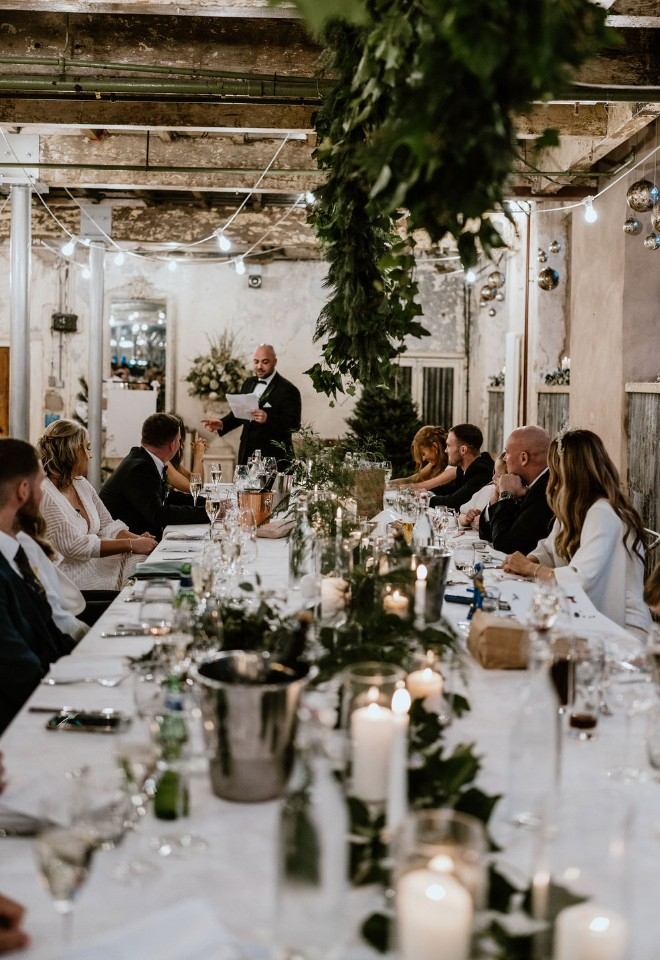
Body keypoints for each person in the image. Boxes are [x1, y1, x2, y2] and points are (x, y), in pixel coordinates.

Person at [502, 429, 652, 640]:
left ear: (566, 471)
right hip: (590, 613)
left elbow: (582, 578)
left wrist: (530, 568)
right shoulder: (578, 507)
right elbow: (549, 547)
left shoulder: (603, 513)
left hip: (620, 625)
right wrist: (528, 560)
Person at [0, 439, 77, 733]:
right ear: (23, 490)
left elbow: (51, 633)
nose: (43, 493)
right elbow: (22, 675)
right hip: (25, 725)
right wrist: (77, 716)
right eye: (40, 484)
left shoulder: (15, 553)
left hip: (51, 698)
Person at [36, 420, 156, 592]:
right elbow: (74, 546)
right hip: (69, 577)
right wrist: (131, 544)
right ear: (70, 452)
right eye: (87, 447)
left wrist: (139, 540)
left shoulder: (80, 483)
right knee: (138, 565)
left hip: (92, 565)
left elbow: (108, 525)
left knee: (142, 559)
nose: (90, 455)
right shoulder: (45, 493)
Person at [100, 413, 210, 540]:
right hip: (124, 545)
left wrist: (210, 504)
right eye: (179, 440)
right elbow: (159, 515)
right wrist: (209, 512)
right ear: (173, 444)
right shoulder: (140, 468)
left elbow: (168, 496)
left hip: (139, 537)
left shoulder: (144, 459)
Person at [201, 343, 301, 465]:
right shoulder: (249, 382)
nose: (259, 366)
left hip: (275, 459)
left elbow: (294, 424)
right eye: (256, 362)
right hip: (247, 455)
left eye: (265, 362)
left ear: (275, 361)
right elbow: (242, 413)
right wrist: (222, 423)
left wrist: (268, 418)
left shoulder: (288, 389)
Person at [476, 426, 555, 554]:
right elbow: (486, 533)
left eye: (507, 452)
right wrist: (496, 497)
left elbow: (504, 545)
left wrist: (505, 495)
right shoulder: (524, 483)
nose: (504, 459)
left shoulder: (546, 491)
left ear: (524, 458)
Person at [428, 423, 494, 510]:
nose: (445, 450)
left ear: (463, 450)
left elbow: (453, 502)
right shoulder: (464, 469)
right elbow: (446, 490)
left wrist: (426, 499)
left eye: (449, 446)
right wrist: (427, 493)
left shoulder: (482, 473)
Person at [390, 425, 456, 490]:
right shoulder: (435, 464)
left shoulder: (453, 465)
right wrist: (386, 484)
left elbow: (419, 485)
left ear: (435, 446)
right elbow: (412, 479)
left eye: (423, 454)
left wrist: (389, 487)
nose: (423, 459)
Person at [458, 453, 506, 529]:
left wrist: (484, 520)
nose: (493, 478)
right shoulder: (488, 490)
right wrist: (466, 518)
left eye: (499, 476)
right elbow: (461, 514)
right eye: (494, 473)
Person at [166, 416, 206, 494]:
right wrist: (198, 455)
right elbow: (194, 488)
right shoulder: (164, 462)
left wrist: (198, 455)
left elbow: (197, 482)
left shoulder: (170, 460)